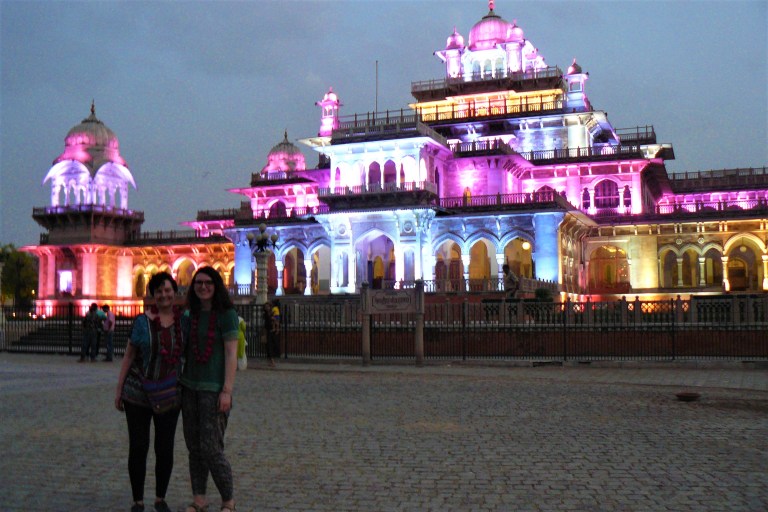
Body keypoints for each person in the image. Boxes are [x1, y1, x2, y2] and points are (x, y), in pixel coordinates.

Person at [114, 272, 184, 512]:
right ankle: (137, 499)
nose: (164, 295)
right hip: (138, 392)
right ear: (153, 295)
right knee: (139, 445)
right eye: (159, 291)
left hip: (169, 393)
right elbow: (130, 355)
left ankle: (160, 497)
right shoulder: (141, 322)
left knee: (164, 447)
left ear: (174, 292)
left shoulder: (183, 321)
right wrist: (119, 388)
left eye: (168, 290)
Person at [180, 267, 239, 512]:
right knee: (194, 447)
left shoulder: (226, 315)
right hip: (190, 387)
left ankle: (228, 500)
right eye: (198, 283)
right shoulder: (189, 315)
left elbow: (231, 352)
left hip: (213, 389)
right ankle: (199, 499)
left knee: (211, 447)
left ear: (217, 285)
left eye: (208, 283)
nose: (203, 287)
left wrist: (227, 390)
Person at [266, 299, 280, 367]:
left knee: (270, 346)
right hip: (270, 330)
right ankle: (271, 361)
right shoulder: (275, 309)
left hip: (271, 331)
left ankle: (272, 361)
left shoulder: (274, 310)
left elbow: (275, 319)